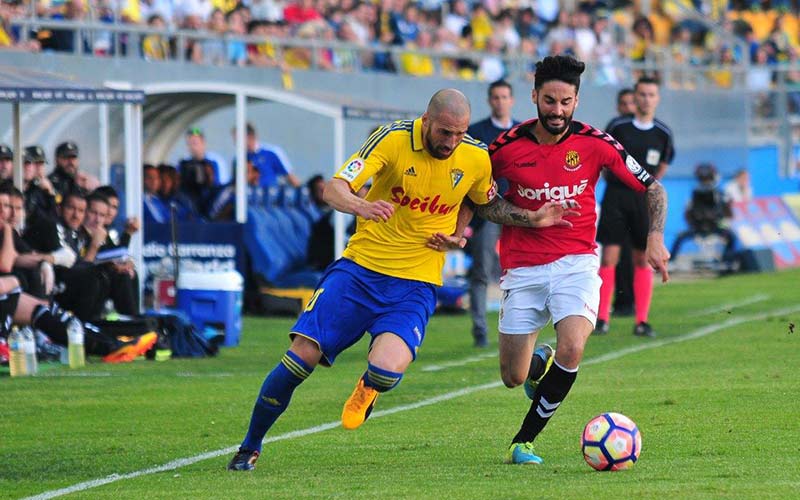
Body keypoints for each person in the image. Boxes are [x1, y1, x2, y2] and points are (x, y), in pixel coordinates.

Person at [227, 88, 578, 471]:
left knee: (385, 370)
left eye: (459, 134)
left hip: (415, 285)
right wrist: (363, 204)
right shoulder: (392, 139)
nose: (451, 142)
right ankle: (250, 446)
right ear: (426, 121)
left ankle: (369, 388)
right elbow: (334, 189)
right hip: (358, 272)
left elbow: (479, 200)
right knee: (301, 359)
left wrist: (467, 233)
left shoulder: (475, 157)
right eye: (445, 132)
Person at [473, 55, 669, 465]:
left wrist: (654, 237)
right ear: (534, 98)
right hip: (521, 267)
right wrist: (529, 217)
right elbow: (480, 200)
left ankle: (523, 441)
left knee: (574, 347)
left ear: (576, 100)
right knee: (513, 377)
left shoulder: (596, 143)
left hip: (576, 262)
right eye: (549, 101)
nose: (557, 111)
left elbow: (653, 189)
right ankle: (536, 360)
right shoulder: (505, 148)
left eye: (565, 102)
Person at [595, 76, 674, 338]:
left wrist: (649, 188)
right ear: (635, 97)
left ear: (657, 98)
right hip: (616, 196)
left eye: (651, 94)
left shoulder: (663, 133)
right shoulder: (618, 127)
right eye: (642, 94)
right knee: (609, 256)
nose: (646, 99)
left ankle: (641, 321)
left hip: (643, 199)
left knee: (642, 257)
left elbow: (662, 165)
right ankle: (601, 318)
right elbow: (604, 161)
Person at [465, 79, 520, 348]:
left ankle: (516, 327)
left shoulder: (523, 132)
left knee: (520, 271)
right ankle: (480, 329)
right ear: (490, 100)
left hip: (519, 212)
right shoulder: (476, 133)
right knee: (481, 271)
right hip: (486, 212)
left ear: (512, 100)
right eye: (495, 97)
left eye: (504, 97)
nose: (500, 101)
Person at [603, 87, 636, 318]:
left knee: (635, 252)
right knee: (613, 252)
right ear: (618, 106)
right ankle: (607, 307)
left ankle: (629, 301)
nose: (628, 108)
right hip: (615, 195)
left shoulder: (648, 129)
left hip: (637, 196)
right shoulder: (615, 127)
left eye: (631, 103)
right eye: (624, 103)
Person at [670, 163, 736, 262]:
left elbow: (728, 214)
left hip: (714, 227)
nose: (706, 183)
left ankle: (726, 261)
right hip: (698, 229)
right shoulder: (695, 195)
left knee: (732, 237)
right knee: (679, 237)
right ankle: (670, 261)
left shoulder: (720, 195)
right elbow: (687, 214)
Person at [233, 122, 301, 189]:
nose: (236, 143)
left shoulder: (271, 153)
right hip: (249, 197)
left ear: (250, 137)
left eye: (238, 139)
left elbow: (291, 177)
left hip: (270, 196)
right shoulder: (238, 159)